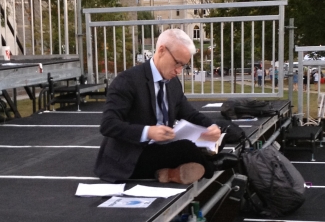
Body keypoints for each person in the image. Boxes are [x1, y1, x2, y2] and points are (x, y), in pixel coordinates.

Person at [94, 29, 238, 184]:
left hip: (163, 146)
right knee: (186, 148)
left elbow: (188, 113)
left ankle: (175, 171)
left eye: (183, 65)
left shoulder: (173, 83)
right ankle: (211, 166)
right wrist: (148, 132)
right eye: (177, 63)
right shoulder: (127, 81)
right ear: (161, 50)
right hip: (133, 155)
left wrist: (211, 127)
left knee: (220, 135)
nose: (179, 71)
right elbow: (108, 125)